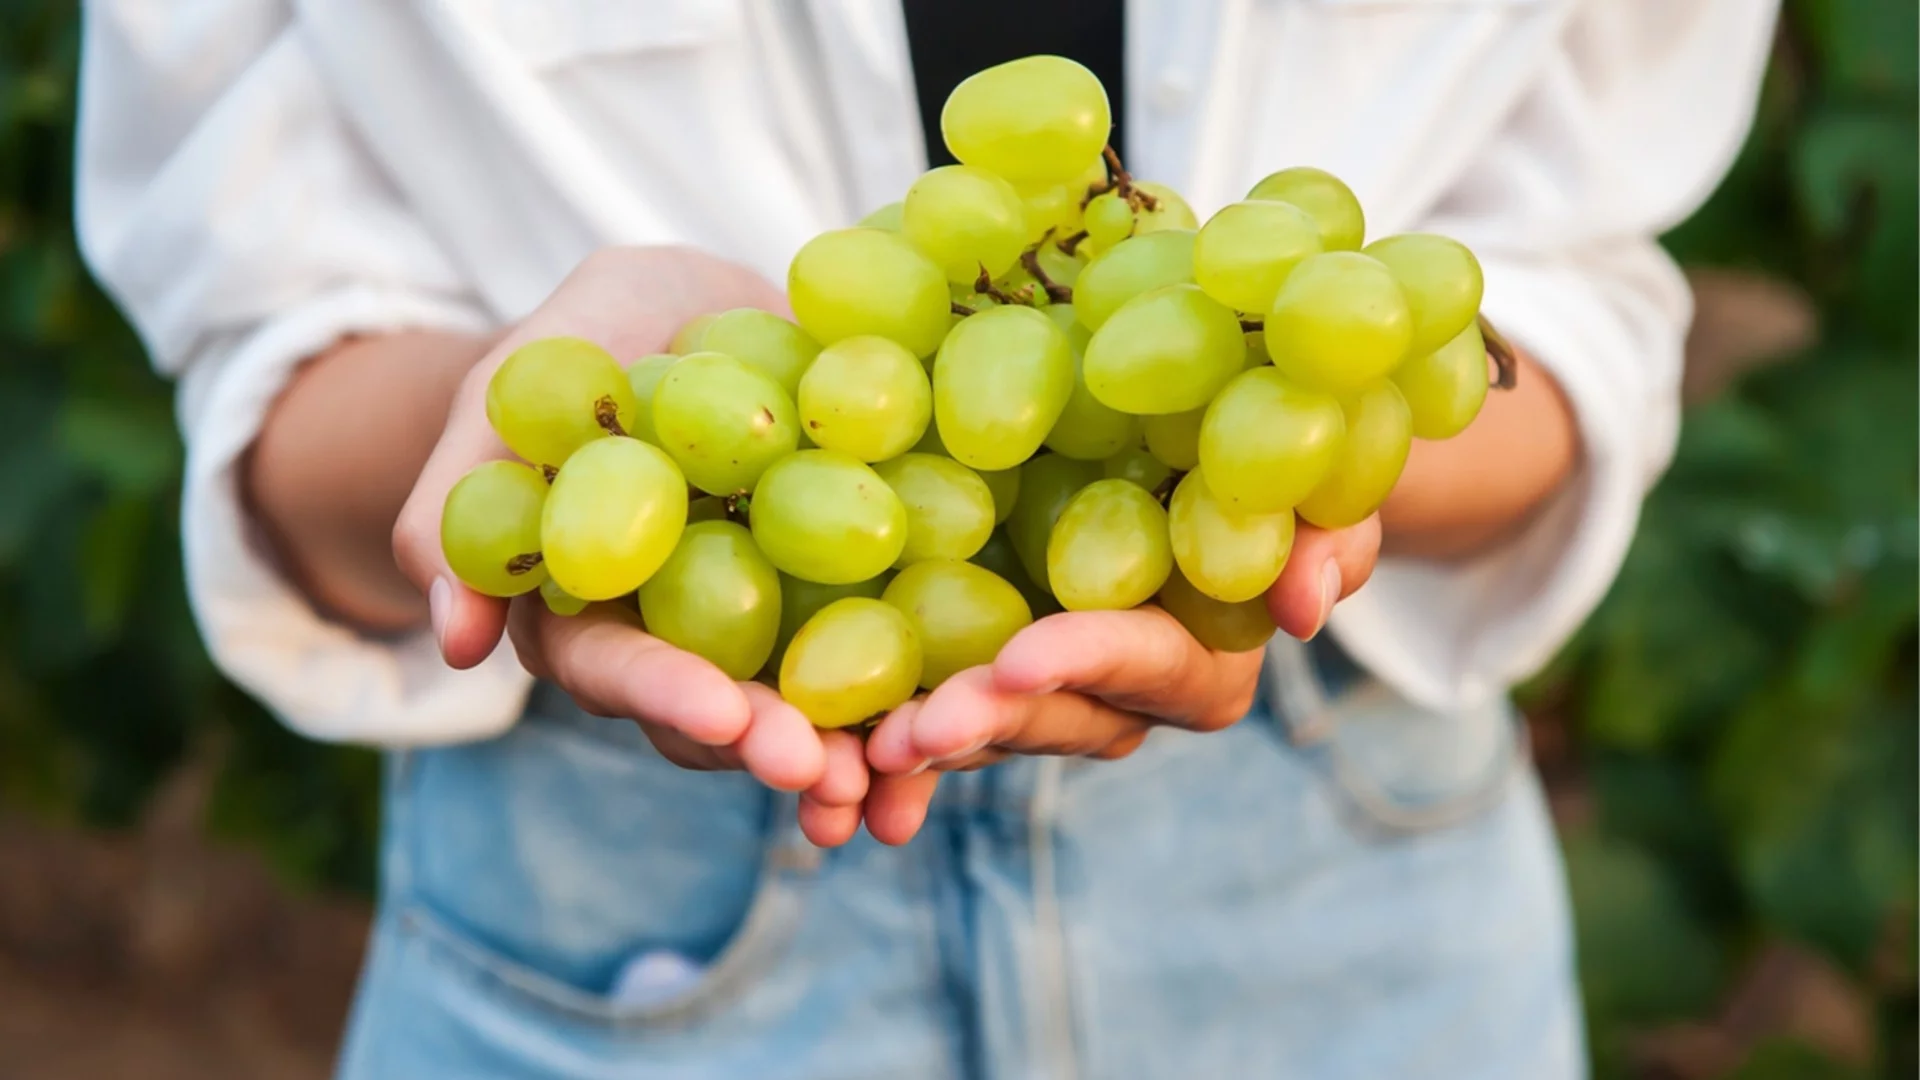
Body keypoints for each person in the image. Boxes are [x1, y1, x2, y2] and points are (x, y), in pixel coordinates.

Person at [75, 2, 1776, 1076]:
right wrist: (503, 412)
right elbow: (266, 353)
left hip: (1347, 893)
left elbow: (1569, 299)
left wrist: (1321, 483)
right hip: (604, 884)